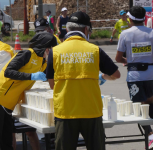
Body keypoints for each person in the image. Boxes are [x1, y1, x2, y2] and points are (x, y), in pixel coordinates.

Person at [46, 11, 121, 150]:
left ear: (67, 28)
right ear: (86, 29)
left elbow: (51, 85)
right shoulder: (95, 50)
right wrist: (102, 77)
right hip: (91, 111)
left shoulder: (54, 52)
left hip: (65, 112)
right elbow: (116, 74)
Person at [0, 32, 57, 150]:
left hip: (9, 104)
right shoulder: (27, 54)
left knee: (7, 143)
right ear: (46, 48)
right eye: (52, 49)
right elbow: (8, 72)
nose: (53, 52)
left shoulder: (44, 62)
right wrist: (31, 76)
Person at [115, 6, 153, 149]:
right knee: (150, 103)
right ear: (144, 18)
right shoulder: (152, 32)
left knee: (138, 109)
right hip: (150, 72)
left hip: (134, 74)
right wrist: (152, 56)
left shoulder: (125, 34)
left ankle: (150, 137)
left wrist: (128, 60)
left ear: (130, 18)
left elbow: (118, 57)